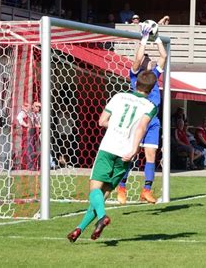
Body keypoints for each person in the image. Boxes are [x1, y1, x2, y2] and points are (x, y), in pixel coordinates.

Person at [66, 70, 158, 243]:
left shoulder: (118, 97)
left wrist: (115, 126)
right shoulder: (151, 106)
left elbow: (102, 121)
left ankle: (102, 217)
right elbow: (141, 128)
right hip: (125, 154)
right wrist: (133, 149)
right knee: (104, 193)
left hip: (108, 148)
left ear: (136, 83)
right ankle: (79, 229)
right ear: (152, 88)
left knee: (95, 190)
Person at [116, 22, 167, 205]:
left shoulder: (154, 74)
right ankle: (121, 187)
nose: (148, 59)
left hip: (153, 121)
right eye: (146, 57)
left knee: (151, 154)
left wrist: (157, 37)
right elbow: (137, 60)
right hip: (138, 120)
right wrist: (143, 41)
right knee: (133, 153)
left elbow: (163, 55)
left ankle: (146, 190)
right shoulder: (135, 75)